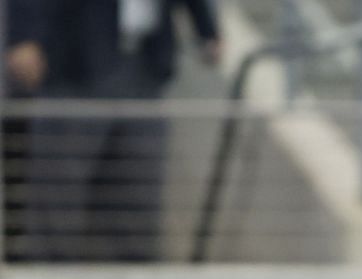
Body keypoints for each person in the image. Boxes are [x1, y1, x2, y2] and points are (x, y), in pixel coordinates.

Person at [8, 0, 221, 261]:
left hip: (145, 65)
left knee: (137, 206)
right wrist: (22, 34)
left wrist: (207, 28)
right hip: (74, 65)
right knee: (58, 202)